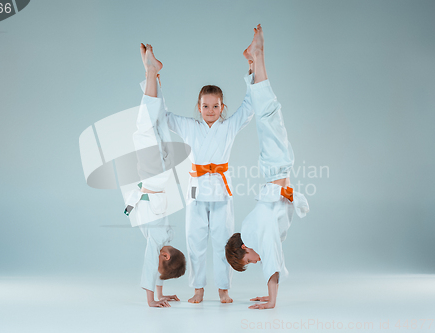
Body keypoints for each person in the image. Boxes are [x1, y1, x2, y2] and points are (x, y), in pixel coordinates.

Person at [140, 42, 255, 304]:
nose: (210, 111)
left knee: (223, 242)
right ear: (199, 106)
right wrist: (155, 79)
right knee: (195, 242)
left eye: (215, 106)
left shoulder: (228, 127)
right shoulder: (190, 127)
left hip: (222, 194)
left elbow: (249, 107)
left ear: (222, 107)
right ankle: (198, 288)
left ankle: (224, 289)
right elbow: (163, 117)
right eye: (205, 106)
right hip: (195, 192)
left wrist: (252, 68)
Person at [225, 24, 310, 309]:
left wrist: (272, 299)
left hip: (276, 167)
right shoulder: (254, 231)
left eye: (249, 260)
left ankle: (257, 56)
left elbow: (272, 257)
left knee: (268, 111)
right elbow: (271, 253)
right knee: (268, 112)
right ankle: (253, 61)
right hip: (276, 168)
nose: (255, 261)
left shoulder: (254, 232)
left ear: (244, 249)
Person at [123, 44, 186, 307]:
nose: (159, 258)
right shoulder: (159, 241)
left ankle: (154, 75)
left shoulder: (164, 239)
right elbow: (152, 264)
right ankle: (151, 73)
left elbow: (158, 267)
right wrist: (152, 299)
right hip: (153, 177)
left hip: (162, 175)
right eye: (163, 262)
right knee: (144, 128)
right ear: (166, 256)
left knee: (158, 124)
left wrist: (162, 293)